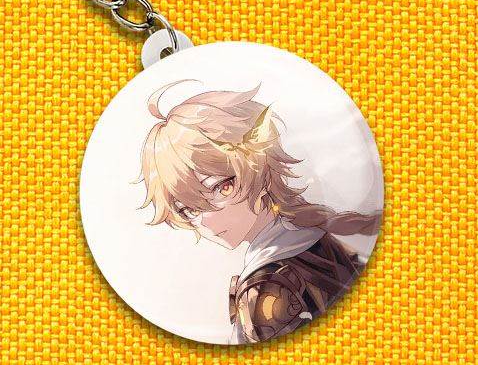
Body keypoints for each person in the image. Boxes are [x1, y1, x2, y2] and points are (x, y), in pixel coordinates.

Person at [138, 84, 380, 343]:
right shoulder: (314, 238)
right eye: (188, 209)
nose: (205, 220)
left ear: (260, 170)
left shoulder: (266, 290)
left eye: (221, 188)